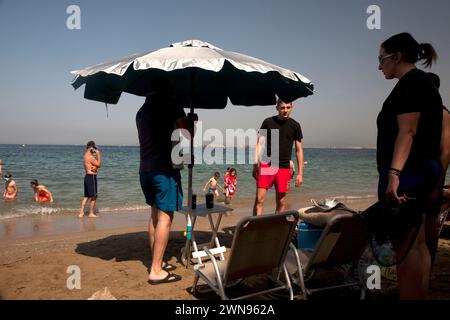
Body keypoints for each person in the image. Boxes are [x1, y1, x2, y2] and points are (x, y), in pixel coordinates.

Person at [376, 32, 442, 299]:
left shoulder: (411, 83)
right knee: (417, 243)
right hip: (422, 171)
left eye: (381, 59)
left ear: (397, 56)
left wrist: (393, 175)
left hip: (409, 173)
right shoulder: (422, 83)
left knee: (404, 246)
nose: (379, 66)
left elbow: (408, 131)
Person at [136, 75, 196, 285]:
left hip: (145, 169)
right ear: (168, 89)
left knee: (154, 216)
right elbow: (186, 136)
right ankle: (155, 270)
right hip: (164, 169)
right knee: (165, 219)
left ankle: (157, 262)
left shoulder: (141, 112)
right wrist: (191, 123)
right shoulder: (172, 106)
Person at [252, 99, 304, 216]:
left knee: (281, 202)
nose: (285, 110)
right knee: (259, 199)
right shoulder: (268, 122)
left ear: (291, 107)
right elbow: (259, 144)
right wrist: (255, 165)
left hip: (284, 167)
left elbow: (299, 150)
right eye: (282, 108)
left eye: (288, 107)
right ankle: (256, 228)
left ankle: (276, 227)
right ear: (277, 108)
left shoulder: (295, 125)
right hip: (267, 164)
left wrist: (300, 173)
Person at [424, 72, 450, 269]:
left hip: (432, 177)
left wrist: (437, 183)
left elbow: (446, 151)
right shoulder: (422, 112)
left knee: (430, 223)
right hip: (417, 176)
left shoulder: (442, 113)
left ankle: (429, 265)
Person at [79, 141, 101, 218]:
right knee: (94, 196)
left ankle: (81, 212)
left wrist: (95, 167)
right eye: (94, 148)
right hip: (92, 177)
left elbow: (93, 165)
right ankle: (91, 213)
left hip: (87, 176)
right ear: (91, 148)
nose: (94, 150)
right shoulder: (91, 157)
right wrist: (98, 155)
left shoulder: (85, 156)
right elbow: (99, 164)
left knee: (86, 196)